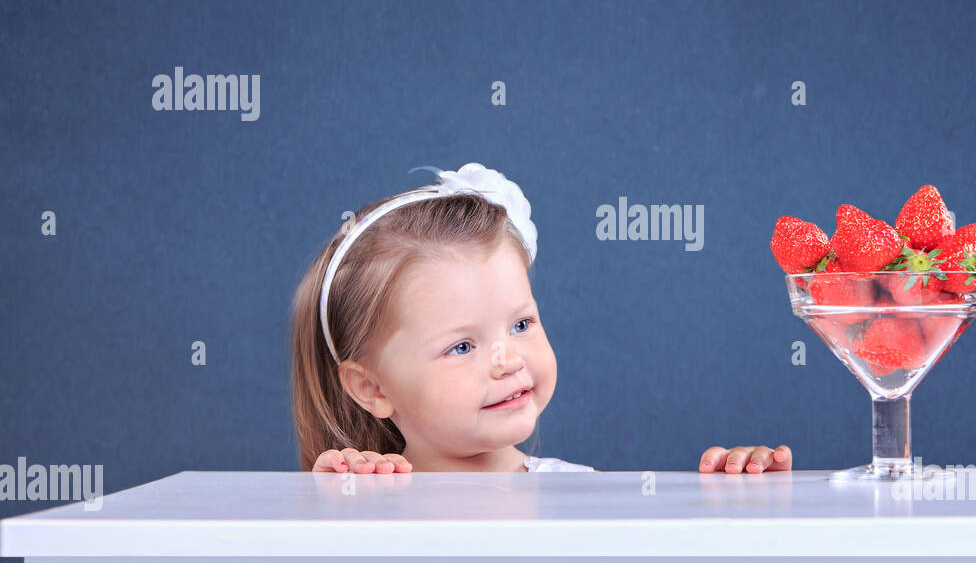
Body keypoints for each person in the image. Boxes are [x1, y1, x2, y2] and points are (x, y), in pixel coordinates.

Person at [289, 162, 794, 474]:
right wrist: (344, 497)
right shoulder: (368, 496)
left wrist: (737, 495)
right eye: (462, 346)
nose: (508, 360)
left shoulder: (578, 495)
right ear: (372, 388)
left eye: (521, 325)